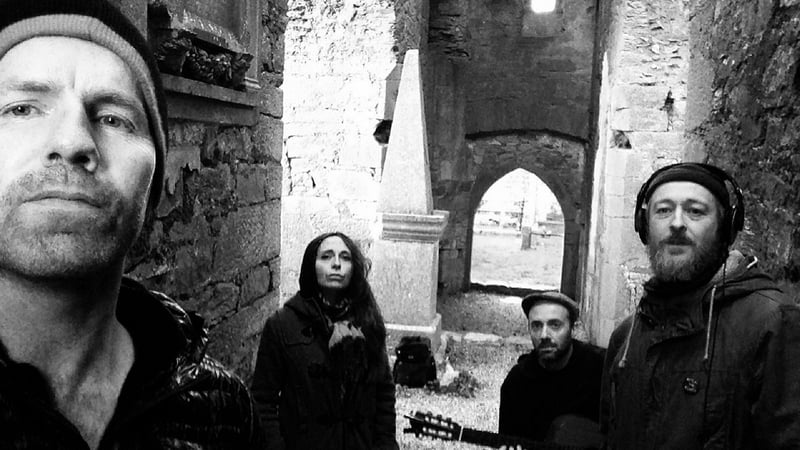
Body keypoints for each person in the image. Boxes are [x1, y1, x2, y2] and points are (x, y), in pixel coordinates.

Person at [0, 1, 262, 448]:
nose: (71, 142)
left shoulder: (221, 411)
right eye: (22, 109)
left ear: (154, 182)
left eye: (113, 118)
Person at [601, 162, 800, 449]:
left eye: (695, 211)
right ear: (644, 227)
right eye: (663, 210)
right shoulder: (625, 339)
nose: (677, 223)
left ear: (725, 229)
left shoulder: (773, 324)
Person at [251, 231, 398, 449]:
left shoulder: (367, 322)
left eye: (345, 257)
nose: (336, 264)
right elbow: (263, 401)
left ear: (354, 268)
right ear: (312, 266)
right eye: (326, 256)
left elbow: (384, 394)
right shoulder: (283, 325)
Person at [499, 291, 604, 444]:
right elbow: (508, 440)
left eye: (555, 325)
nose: (544, 335)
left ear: (572, 328)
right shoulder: (516, 384)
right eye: (536, 326)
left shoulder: (599, 369)